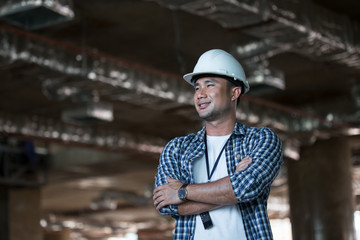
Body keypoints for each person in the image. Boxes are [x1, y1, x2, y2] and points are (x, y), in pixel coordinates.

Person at [153, 49, 283, 240]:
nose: (200, 94)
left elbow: (247, 187)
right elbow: (166, 205)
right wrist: (233, 183)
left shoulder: (260, 140)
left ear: (234, 93)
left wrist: (183, 191)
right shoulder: (177, 149)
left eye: (209, 85)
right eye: (197, 88)